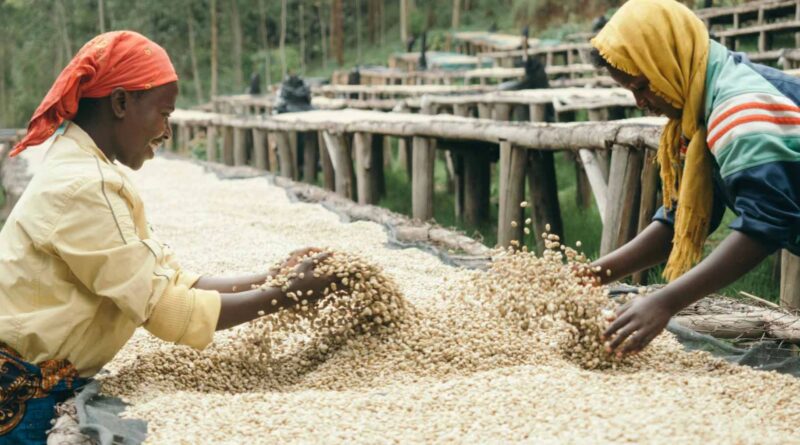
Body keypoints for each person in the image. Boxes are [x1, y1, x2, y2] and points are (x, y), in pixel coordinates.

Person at [0, 31, 342, 444]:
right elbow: (162, 309)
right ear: (121, 103)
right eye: (164, 114)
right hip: (22, 398)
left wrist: (276, 277)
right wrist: (287, 294)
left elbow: (167, 280)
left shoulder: (89, 171)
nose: (167, 131)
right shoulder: (84, 187)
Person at [586, 0, 799, 356]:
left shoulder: (739, 109)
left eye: (641, 86)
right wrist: (594, 275)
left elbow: (767, 222)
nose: (640, 102)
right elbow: (683, 217)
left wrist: (665, 302)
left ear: (666, 60)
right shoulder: (700, 104)